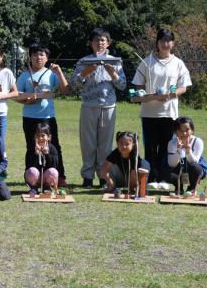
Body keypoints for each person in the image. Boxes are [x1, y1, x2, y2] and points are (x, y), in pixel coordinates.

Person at [132, 28, 192, 189]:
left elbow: (183, 87)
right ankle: (151, 178)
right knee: (150, 148)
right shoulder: (147, 61)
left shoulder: (178, 63)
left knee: (167, 147)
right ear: (157, 43)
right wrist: (148, 95)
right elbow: (138, 85)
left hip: (169, 113)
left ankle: (164, 179)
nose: (165, 44)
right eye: (162, 41)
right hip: (149, 113)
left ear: (173, 43)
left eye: (169, 41)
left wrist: (170, 95)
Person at [71, 28, 126, 188]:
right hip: (89, 106)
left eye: (103, 40)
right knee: (88, 143)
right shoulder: (84, 61)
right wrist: (85, 73)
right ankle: (87, 177)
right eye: (96, 40)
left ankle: (104, 176)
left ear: (108, 43)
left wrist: (113, 73)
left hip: (108, 106)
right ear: (90, 43)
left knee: (105, 144)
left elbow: (122, 85)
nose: (99, 43)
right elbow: (74, 84)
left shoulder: (115, 61)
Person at [17, 42, 69, 183]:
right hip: (29, 117)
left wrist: (59, 72)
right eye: (34, 55)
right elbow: (16, 95)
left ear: (47, 58)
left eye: (41, 54)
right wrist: (28, 100)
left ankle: (60, 176)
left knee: (54, 146)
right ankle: (32, 176)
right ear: (30, 58)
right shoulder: (25, 75)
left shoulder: (51, 74)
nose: (38, 57)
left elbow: (65, 90)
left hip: (48, 117)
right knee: (31, 146)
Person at [164, 117, 207, 195]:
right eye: (181, 131)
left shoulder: (198, 142)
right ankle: (178, 187)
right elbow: (171, 164)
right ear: (175, 131)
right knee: (165, 171)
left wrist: (188, 151)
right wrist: (178, 151)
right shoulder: (171, 143)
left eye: (187, 130)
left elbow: (194, 163)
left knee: (196, 168)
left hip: (193, 169)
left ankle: (191, 188)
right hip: (179, 169)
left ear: (192, 130)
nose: (184, 133)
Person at [24, 123, 61, 194]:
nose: (40, 138)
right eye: (38, 136)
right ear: (35, 137)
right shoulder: (31, 148)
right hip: (35, 177)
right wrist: (36, 154)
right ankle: (33, 187)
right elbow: (28, 165)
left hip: (46, 176)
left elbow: (55, 165)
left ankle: (47, 187)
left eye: (43, 135)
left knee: (53, 172)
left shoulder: (52, 148)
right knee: (32, 171)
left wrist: (47, 154)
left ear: (49, 137)